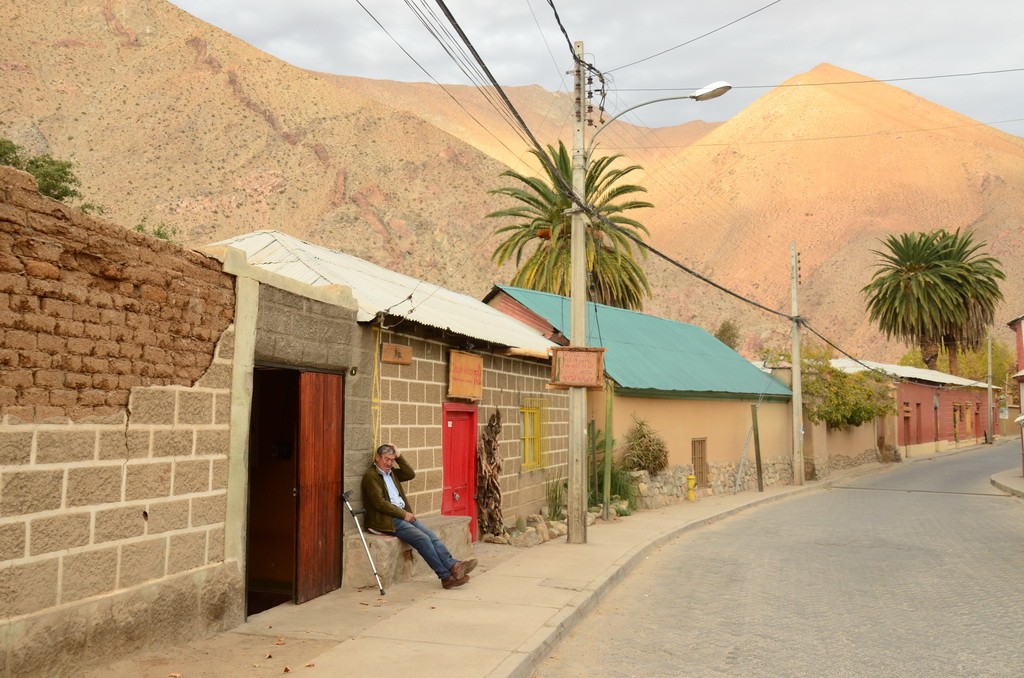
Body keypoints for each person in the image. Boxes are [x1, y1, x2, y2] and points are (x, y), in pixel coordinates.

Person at [361, 443, 478, 589]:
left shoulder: (391, 473)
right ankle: (445, 577)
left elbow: (410, 474)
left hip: (401, 515)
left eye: (392, 459)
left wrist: (399, 456)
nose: (389, 463)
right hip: (386, 519)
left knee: (431, 536)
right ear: (377, 458)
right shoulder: (371, 476)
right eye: (386, 459)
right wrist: (403, 514)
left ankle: (453, 565)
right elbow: (379, 503)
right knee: (423, 539)